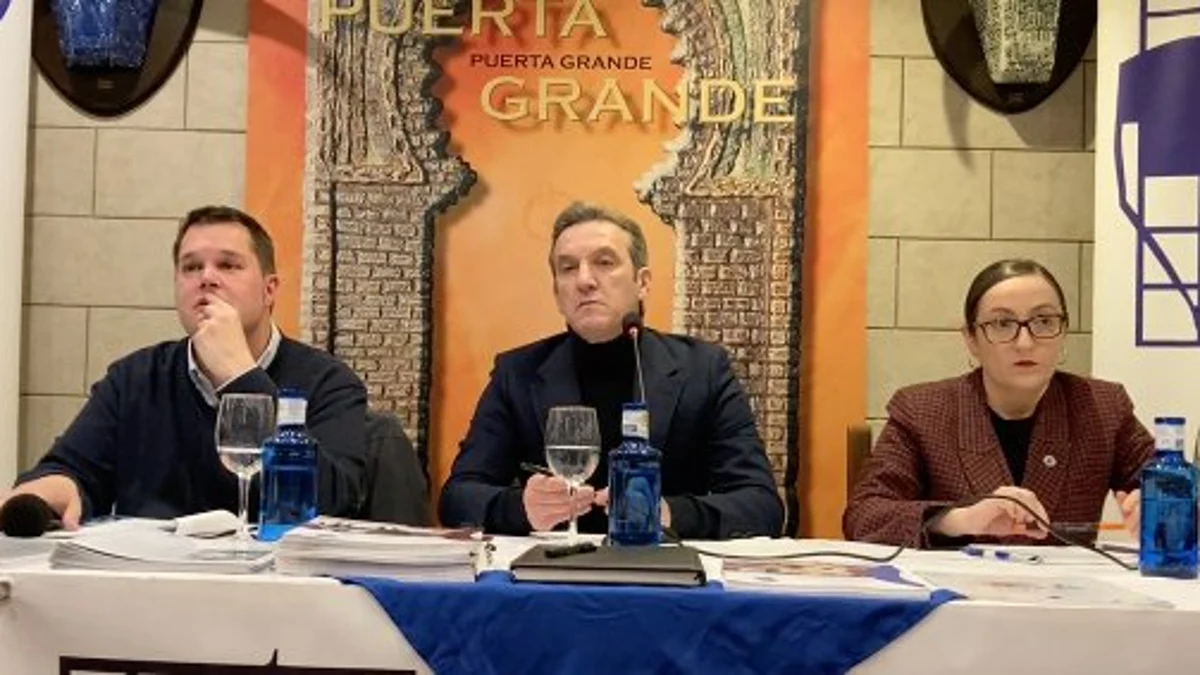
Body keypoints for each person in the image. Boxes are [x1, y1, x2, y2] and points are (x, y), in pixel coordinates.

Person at [2, 206, 368, 527]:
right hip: (153, 577)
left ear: (269, 290)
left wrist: (240, 376)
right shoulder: (133, 379)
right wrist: (58, 486)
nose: (206, 277)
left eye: (228, 265)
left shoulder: (329, 382)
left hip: (276, 579)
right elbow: (71, 470)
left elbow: (335, 503)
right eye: (191, 267)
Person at [439, 202, 783, 540]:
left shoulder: (703, 370)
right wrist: (519, 508)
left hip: (662, 567)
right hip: (552, 568)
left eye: (604, 263)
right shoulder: (518, 373)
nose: (584, 280)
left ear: (642, 282)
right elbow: (458, 498)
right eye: (568, 268)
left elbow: (761, 506)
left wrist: (668, 514)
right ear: (556, 292)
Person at [843, 259, 1154, 547]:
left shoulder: (1102, 407)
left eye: (1044, 321)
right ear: (971, 339)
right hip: (957, 587)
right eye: (1002, 324)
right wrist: (960, 519)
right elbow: (864, 515)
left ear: (1063, 332)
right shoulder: (922, 411)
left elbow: (1171, 485)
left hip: (1066, 588)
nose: (1025, 342)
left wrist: (1165, 507)